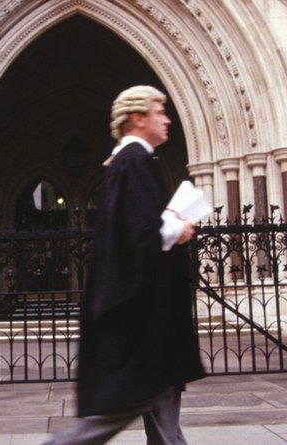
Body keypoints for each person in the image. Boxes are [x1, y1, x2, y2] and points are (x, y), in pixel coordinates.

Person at [47, 85, 205, 445]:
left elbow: (137, 228)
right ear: (138, 118)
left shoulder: (134, 161)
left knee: (164, 422)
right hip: (143, 326)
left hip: (153, 324)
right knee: (106, 422)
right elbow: (138, 237)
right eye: (159, 112)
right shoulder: (133, 161)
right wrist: (179, 229)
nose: (167, 120)